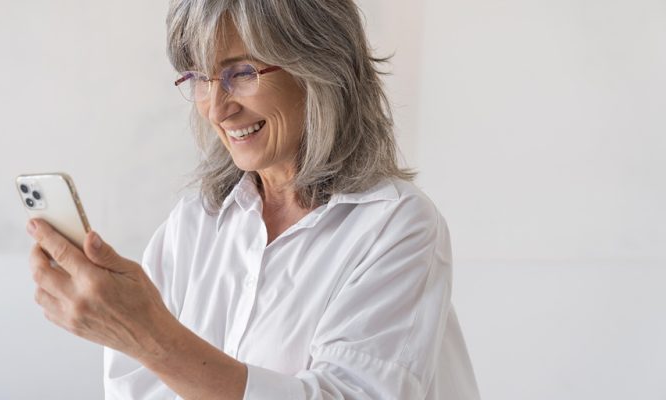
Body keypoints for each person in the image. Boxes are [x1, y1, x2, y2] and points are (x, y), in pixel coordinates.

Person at [26, 0, 480, 398]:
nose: (217, 108)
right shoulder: (194, 224)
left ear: (321, 66)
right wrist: (128, 330)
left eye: (241, 73)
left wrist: (149, 335)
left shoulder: (396, 226)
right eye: (201, 78)